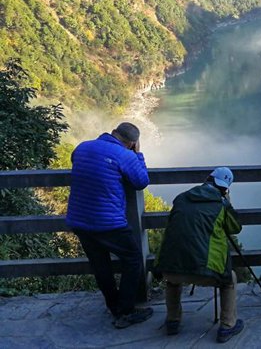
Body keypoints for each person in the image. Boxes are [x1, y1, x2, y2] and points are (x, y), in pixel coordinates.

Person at [66, 122, 153, 328]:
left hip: (79, 220)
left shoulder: (82, 147)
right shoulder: (126, 155)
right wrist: (138, 155)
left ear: (113, 132)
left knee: (100, 265)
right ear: (132, 143)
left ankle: (113, 307)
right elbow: (141, 181)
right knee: (132, 259)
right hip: (108, 222)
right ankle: (125, 311)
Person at [155, 167, 245, 343]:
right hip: (205, 271)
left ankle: (173, 320)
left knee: (173, 281)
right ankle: (227, 326)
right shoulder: (221, 204)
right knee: (229, 280)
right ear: (226, 188)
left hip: (169, 268)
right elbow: (235, 228)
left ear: (207, 179)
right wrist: (227, 203)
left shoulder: (181, 198)